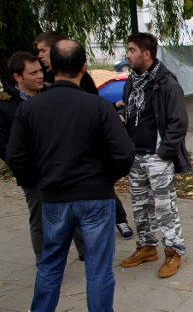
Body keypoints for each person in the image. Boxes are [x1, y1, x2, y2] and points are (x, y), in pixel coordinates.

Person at [6, 39, 140, 312]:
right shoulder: (97, 106)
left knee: (51, 261)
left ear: (50, 66)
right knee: (97, 264)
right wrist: (104, 179)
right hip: (94, 197)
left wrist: (40, 181)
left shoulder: (31, 109)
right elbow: (124, 153)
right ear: (83, 67)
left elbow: (16, 157)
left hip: (53, 197)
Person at [35, 31, 135, 241]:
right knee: (80, 256)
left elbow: (96, 111)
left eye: (42, 51)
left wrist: (105, 178)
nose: (39, 56)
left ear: (53, 56)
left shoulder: (86, 89)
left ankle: (120, 220)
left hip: (88, 179)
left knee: (54, 259)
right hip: (60, 184)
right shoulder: (36, 101)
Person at [120, 32, 191, 278]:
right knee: (140, 207)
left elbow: (179, 123)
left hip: (157, 158)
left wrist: (163, 153)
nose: (127, 55)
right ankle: (147, 246)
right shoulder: (132, 82)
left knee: (164, 208)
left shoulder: (167, 83)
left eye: (131, 50)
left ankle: (173, 252)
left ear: (146, 54)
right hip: (135, 157)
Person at [1, 52, 46, 261]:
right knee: (39, 219)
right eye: (33, 72)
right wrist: (24, 169)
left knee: (71, 213)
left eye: (40, 70)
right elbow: (5, 146)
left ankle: (85, 254)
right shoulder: (6, 106)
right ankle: (44, 262)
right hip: (32, 175)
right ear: (18, 77)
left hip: (59, 168)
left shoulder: (50, 97)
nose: (40, 76)